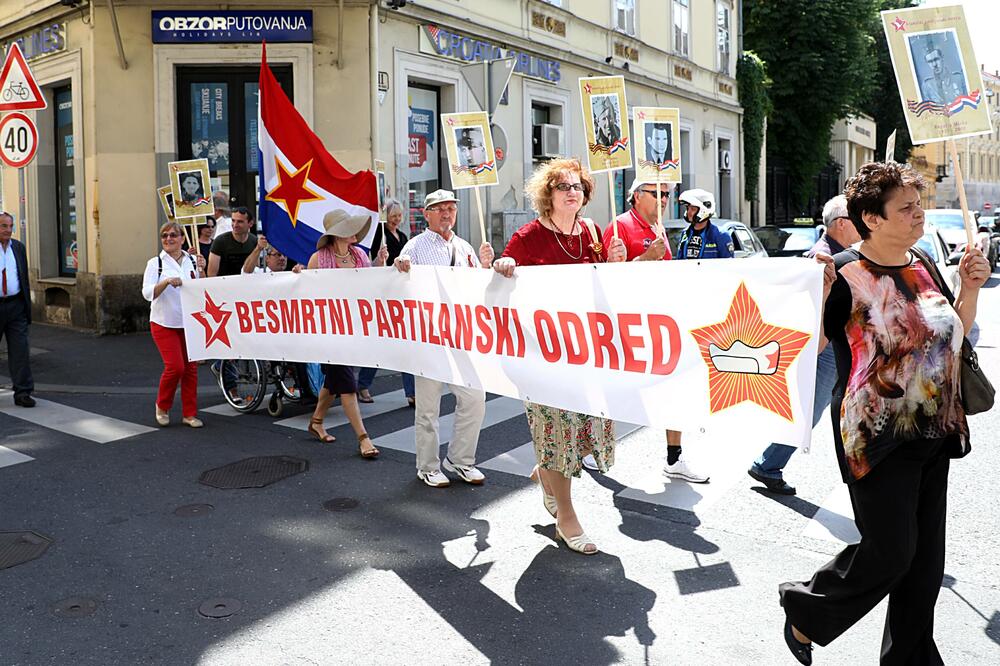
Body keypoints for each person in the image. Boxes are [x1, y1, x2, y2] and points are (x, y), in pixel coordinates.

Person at [779, 162, 989, 665]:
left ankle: (911, 659)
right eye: (907, 208)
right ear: (871, 218)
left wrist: (971, 289)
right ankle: (807, 611)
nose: (920, 215)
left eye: (919, 205)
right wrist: (818, 294)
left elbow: (951, 334)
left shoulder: (922, 263)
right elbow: (805, 345)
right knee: (890, 553)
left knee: (923, 565)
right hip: (874, 435)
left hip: (933, 427)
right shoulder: (844, 273)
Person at [493, 159, 627, 554]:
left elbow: (605, 290)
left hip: (585, 356)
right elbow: (503, 278)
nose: (572, 191)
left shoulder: (592, 233)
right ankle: (565, 516)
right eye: (563, 186)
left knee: (584, 432)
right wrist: (502, 264)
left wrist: (616, 263)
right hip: (540, 359)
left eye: (578, 186)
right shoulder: (528, 236)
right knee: (557, 435)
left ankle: (549, 472)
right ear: (547, 195)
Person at [748, 195, 861, 495]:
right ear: (839, 224)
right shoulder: (821, 257)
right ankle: (768, 464)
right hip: (824, 349)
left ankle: (769, 463)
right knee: (808, 413)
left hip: (835, 346)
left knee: (822, 411)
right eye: (855, 218)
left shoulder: (839, 253)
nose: (861, 223)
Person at [394, 189, 494, 488]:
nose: (447, 214)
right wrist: (399, 266)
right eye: (440, 209)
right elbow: (399, 282)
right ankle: (427, 466)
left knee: (474, 398)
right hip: (429, 337)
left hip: (461, 335)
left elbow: (480, 289)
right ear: (427, 214)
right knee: (427, 407)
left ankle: (460, 460)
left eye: (451, 208)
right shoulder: (414, 246)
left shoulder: (465, 247)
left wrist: (486, 267)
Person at [659, 188, 734, 483]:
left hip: (710, 314)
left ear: (704, 208)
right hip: (686, 312)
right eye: (686, 209)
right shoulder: (686, 236)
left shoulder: (720, 236)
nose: (687, 213)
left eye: (691, 208)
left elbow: (728, 273)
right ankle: (675, 456)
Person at [305, 209, 387, 457]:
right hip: (329, 330)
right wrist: (298, 277)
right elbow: (306, 297)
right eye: (348, 227)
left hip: (354, 328)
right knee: (348, 383)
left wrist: (379, 266)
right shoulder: (318, 259)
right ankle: (363, 438)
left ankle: (317, 421)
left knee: (334, 380)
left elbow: (369, 286)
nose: (353, 231)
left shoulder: (360, 255)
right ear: (337, 234)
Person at [142, 221, 207, 427]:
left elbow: (202, 287)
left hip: (189, 322)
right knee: (175, 367)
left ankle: (189, 413)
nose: (168, 239)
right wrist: (166, 282)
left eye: (173, 235)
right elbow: (147, 293)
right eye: (164, 236)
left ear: (182, 238)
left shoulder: (192, 260)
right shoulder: (155, 263)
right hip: (164, 322)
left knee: (190, 369)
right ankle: (162, 405)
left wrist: (202, 270)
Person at [361, 198, 414, 406]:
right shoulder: (378, 234)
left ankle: (412, 393)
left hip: (400, 294)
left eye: (399, 216)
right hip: (383, 294)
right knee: (379, 344)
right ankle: (362, 384)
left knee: (407, 344)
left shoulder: (402, 236)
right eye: (393, 216)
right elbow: (372, 263)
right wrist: (380, 260)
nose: (397, 220)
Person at [0, 212, 34, 407]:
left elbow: (24, 278)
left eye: (10, 226)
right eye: (4, 226)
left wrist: (25, 306)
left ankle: (23, 393)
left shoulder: (18, 248)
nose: (8, 230)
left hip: (15, 306)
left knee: (20, 351)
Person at [208, 206, 256, 277]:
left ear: (250, 223)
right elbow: (211, 274)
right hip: (224, 285)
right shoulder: (220, 241)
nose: (235, 225)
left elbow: (256, 268)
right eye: (233, 220)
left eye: (240, 222)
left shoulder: (254, 240)